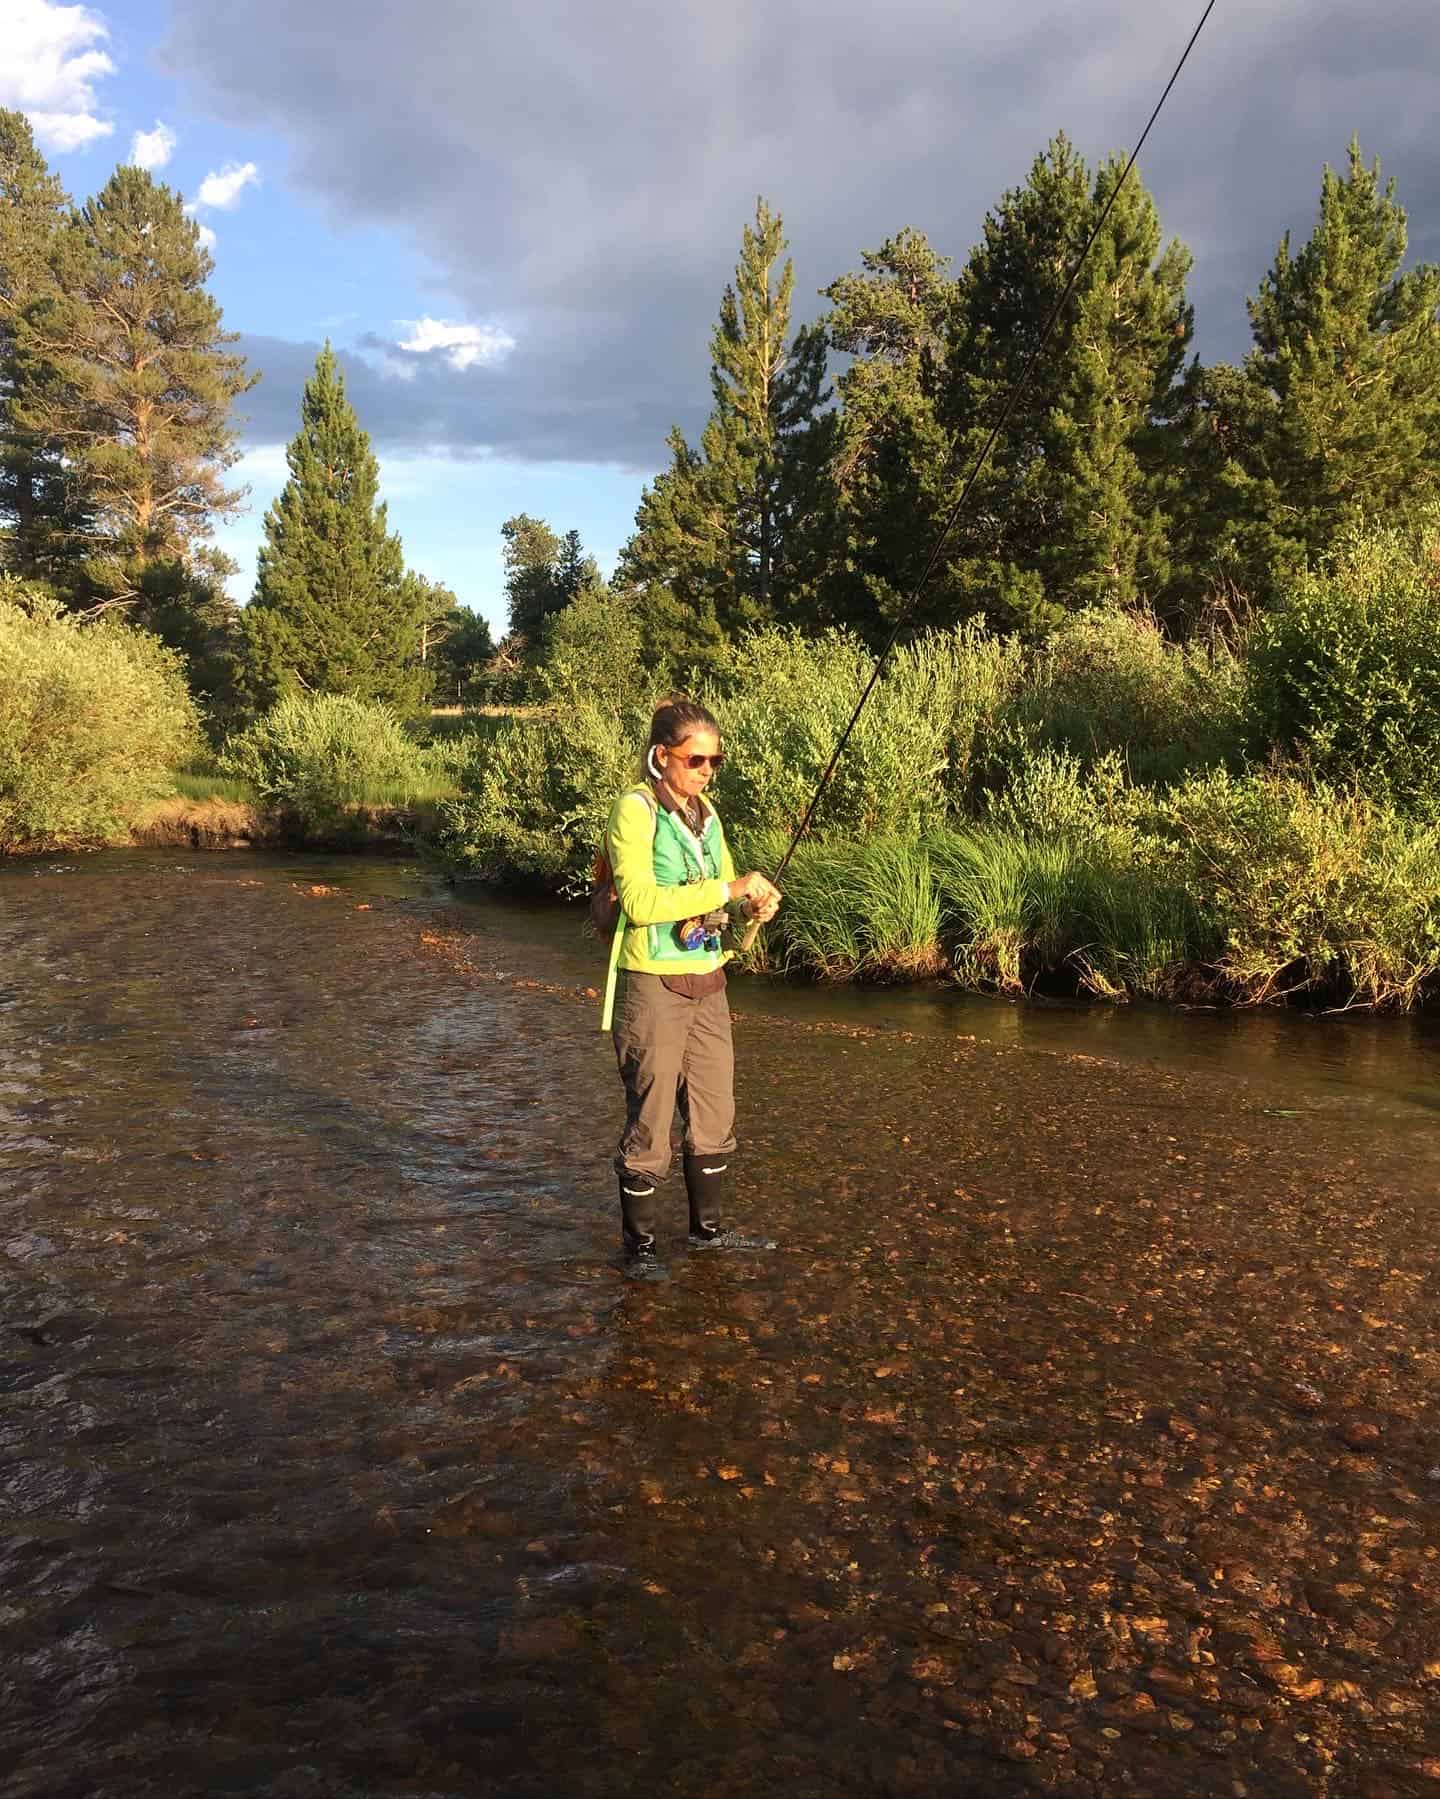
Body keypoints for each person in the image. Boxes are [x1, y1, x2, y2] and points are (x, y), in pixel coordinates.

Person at [602, 696, 781, 1268]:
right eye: (695, 759)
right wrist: (728, 890)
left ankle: (708, 1233)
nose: (706, 771)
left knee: (713, 1113)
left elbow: (721, 893)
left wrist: (752, 909)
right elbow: (639, 900)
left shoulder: (708, 815)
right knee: (651, 1120)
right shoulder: (635, 810)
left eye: (715, 762)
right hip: (650, 980)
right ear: (662, 756)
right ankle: (642, 1248)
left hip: (708, 980)